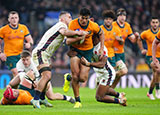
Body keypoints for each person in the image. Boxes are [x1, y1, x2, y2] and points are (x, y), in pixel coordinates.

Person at [31, 11, 87, 109]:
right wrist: (79, 33)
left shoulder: (64, 28)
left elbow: (67, 41)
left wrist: (80, 37)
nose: (71, 19)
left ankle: (42, 98)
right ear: (62, 19)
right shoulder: (61, 25)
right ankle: (36, 99)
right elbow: (64, 32)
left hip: (46, 55)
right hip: (41, 52)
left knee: (47, 77)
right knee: (47, 75)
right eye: (69, 17)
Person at [64, 7, 104, 108]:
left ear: (89, 18)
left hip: (87, 52)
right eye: (82, 18)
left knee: (82, 78)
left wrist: (101, 48)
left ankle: (67, 77)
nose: (84, 20)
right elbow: (67, 41)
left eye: (86, 18)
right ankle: (78, 101)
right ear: (79, 16)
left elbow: (101, 33)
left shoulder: (93, 25)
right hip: (75, 51)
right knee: (75, 76)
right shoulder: (72, 24)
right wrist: (80, 37)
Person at [4, 50, 75, 106]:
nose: (25, 62)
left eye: (27, 59)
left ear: (30, 58)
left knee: (51, 96)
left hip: (41, 80)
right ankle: (12, 92)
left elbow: (39, 76)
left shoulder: (34, 63)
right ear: (21, 59)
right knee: (17, 79)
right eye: (23, 60)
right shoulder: (19, 64)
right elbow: (21, 76)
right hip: (30, 82)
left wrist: (35, 84)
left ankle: (68, 98)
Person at [80, 35, 127, 106]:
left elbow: (102, 64)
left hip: (107, 74)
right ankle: (120, 95)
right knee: (104, 90)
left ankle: (120, 101)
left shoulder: (101, 48)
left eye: (92, 37)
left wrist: (88, 64)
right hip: (100, 73)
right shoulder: (90, 46)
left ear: (97, 38)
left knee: (99, 97)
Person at [111, 8, 139, 88]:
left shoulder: (127, 25)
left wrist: (136, 37)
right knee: (123, 71)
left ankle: (110, 90)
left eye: (124, 15)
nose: (122, 17)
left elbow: (133, 40)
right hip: (113, 52)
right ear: (117, 17)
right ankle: (106, 77)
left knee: (119, 75)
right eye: (120, 15)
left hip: (121, 53)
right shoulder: (113, 25)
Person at [0, 11, 33, 77]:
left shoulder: (23, 28)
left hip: (21, 55)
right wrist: (0, 53)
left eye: (16, 18)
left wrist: (29, 44)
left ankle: (11, 86)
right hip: (10, 55)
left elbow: (30, 40)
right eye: (12, 18)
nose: (14, 20)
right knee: (16, 72)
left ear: (18, 19)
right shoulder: (3, 30)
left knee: (25, 74)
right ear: (9, 19)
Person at [137, 17, 160, 100]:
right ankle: (157, 90)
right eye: (153, 22)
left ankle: (150, 92)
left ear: (158, 23)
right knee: (158, 70)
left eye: (156, 22)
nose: (155, 24)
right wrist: (142, 49)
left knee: (156, 74)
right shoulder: (146, 33)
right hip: (150, 56)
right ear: (150, 23)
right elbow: (139, 39)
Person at [100, 10, 123, 78]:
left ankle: (107, 87)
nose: (108, 21)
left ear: (112, 20)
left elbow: (121, 42)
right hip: (102, 53)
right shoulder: (100, 29)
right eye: (106, 19)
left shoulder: (116, 30)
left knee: (112, 73)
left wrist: (120, 40)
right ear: (104, 20)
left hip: (111, 54)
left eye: (110, 19)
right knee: (104, 74)